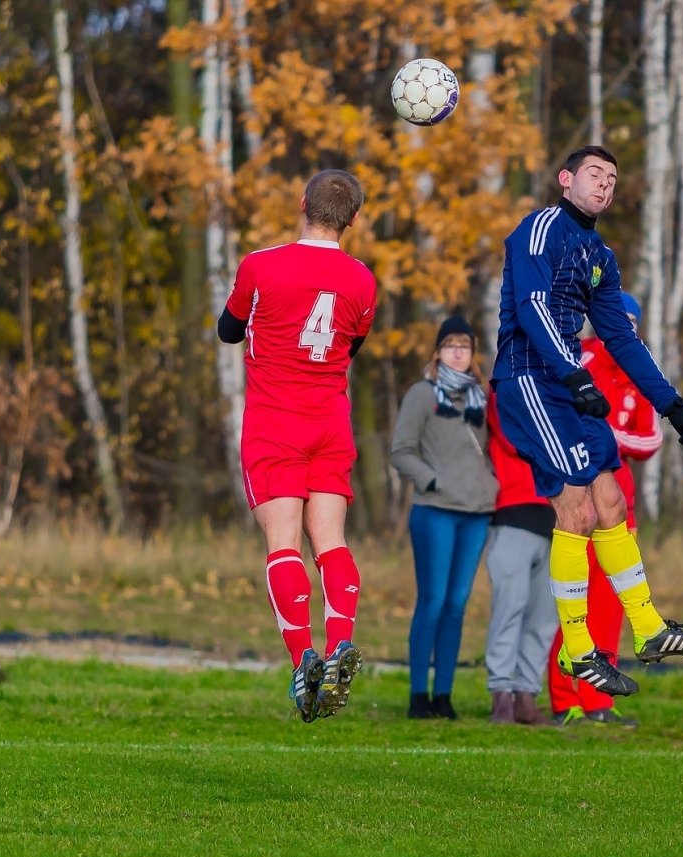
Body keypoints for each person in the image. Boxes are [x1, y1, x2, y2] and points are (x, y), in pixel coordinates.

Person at [491, 144, 683, 699]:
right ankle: (578, 650)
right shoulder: (540, 227)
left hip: (567, 382)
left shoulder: (600, 253)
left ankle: (649, 630)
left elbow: (621, 336)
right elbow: (533, 307)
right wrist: (575, 376)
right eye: (595, 173)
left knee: (612, 503)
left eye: (613, 178)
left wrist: (672, 405)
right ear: (566, 178)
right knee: (576, 509)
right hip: (530, 378)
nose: (605, 184)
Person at [217, 170, 373, 722]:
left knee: (283, 544)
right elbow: (350, 344)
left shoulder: (260, 264)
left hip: (274, 423)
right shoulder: (361, 279)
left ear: (302, 201)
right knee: (330, 540)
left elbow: (228, 330)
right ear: (353, 219)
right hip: (330, 420)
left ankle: (302, 655)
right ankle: (340, 645)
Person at [548, 291, 661, 725]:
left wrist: (608, 433)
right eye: (616, 318)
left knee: (612, 602)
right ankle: (564, 697)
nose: (623, 327)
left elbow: (651, 439)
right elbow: (561, 412)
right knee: (575, 600)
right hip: (579, 499)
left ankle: (599, 700)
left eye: (631, 321)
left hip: (620, 504)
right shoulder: (581, 357)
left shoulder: (640, 368)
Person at [391, 315, 499, 719]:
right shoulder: (423, 394)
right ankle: (419, 695)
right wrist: (433, 482)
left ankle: (445, 695)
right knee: (432, 601)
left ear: (473, 353)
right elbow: (401, 451)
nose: (458, 351)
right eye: (451, 344)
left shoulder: (482, 397)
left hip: (476, 512)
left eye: (465, 345)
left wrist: (492, 485)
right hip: (435, 511)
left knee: (457, 604)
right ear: (438, 351)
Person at [484, 404, 559, 725]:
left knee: (545, 615)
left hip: (558, 518)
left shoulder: (556, 389)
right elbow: (519, 441)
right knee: (509, 609)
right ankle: (501, 694)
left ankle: (526, 694)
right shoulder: (506, 388)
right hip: (514, 513)